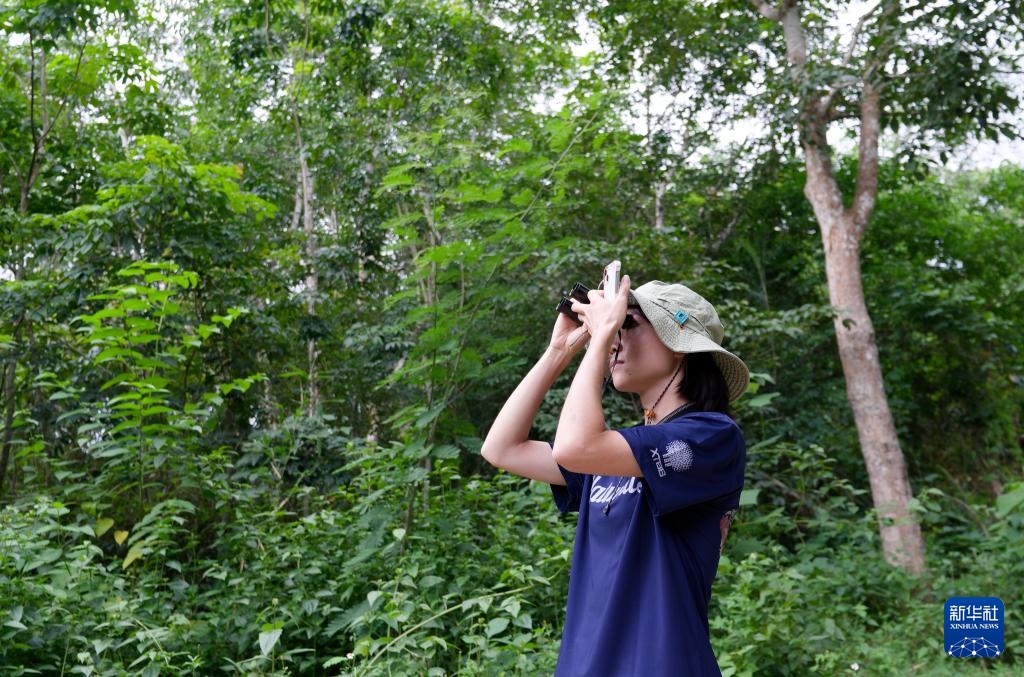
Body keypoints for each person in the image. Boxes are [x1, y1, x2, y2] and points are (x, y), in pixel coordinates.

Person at [480, 274, 749, 676]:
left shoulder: (712, 437)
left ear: (679, 347)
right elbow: (502, 449)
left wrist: (602, 333)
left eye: (628, 323)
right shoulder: (615, 454)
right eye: (616, 325)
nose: (615, 339)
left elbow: (576, 446)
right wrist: (558, 351)